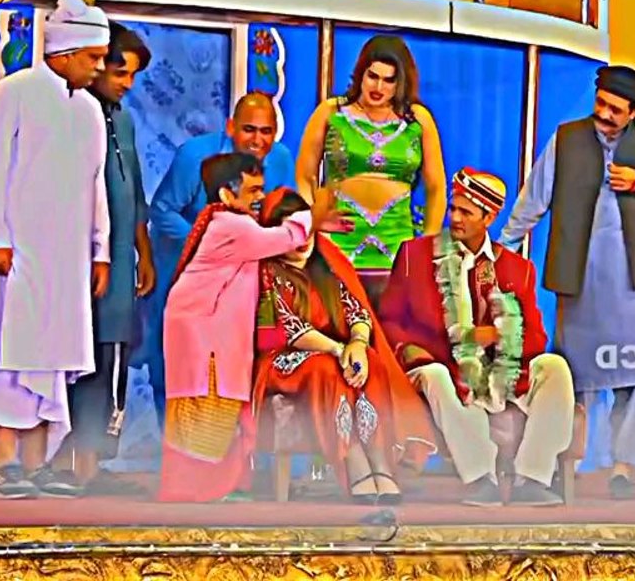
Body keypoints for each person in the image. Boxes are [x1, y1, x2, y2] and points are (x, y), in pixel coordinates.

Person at [499, 65, 635, 500]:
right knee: (577, 375)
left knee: (634, 377)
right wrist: (502, 249)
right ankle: (571, 463)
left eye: (615, 110)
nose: (604, 114)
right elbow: (534, 200)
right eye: (601, 104)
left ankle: (623, 466)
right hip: (583, 278)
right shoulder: (567, 139)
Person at [0, 0, 111, 499]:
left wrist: (100, 251)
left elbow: (96, 185)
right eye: (93, 57)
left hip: (67, 260)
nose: (100, 67)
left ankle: (37, 464)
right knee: (11, 356)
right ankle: (7, 464)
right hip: (17, 255)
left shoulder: (90, 110)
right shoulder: (13, 93)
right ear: (65, 53)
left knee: (52, 360)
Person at [379, 168, 575, 507]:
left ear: (489, 217)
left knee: (555, 367)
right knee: (438, 375)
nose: (454, 218)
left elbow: (535, 337)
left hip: (500, 370)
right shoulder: (415, 256)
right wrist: (410, 349)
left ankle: (532, 479)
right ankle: (480, 479)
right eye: (453, 208)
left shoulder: (516, 269)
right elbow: (389, 320)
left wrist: (498, 336)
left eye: (466, 212)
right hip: (438, 363)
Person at [157, 153, 340, 502]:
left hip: (208, 331)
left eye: (261, 189)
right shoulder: (231, 225)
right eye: (253, 190)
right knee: (205, 409)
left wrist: (315, 223)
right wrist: (313, 215)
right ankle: (194, 491)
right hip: (203, 334)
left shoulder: (228, 222)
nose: (260, 197)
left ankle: (209, 488)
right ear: (226, 195)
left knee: (215, 409)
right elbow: (282, 238)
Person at [252, 189, 438, 504]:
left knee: (371, 361)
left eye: (306, 229)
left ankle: (379, 463)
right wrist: (340, 351)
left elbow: (357, 312)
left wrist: (358, 343)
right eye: (292, 231)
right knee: (328, 368)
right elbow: (289, 329)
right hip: (282, 362)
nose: (302, 241)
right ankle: (353, 461)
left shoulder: (325, 268)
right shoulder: (268, 273)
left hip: (332, 352)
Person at [141, 92, 295, 427]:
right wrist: (206, 243)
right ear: (230, 127)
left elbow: (279, 215)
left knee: (231, 370)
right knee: (173, 367)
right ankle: (172, 448)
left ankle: (230, 453)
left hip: (238, 282)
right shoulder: (194, 156)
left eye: (266, 131)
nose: (257, 140)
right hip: (181, 273)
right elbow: (162, 210)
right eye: (249, 129)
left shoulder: (281, 159)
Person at [53, 21, 155, 496]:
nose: (127, 83)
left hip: (117, 267)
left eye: (132, 75)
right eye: (120, 72)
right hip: (76, 262)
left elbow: (133, 191)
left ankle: (92, 466)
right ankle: (63, 464)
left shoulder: (125, 120)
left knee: (111, 356)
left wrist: (143, 253)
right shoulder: (73, 112)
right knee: (74, 357)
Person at [295, 34, 447, 306]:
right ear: (360, 74)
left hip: (397, 247)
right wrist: (314, 221)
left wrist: (426, 247)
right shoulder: (331, 112)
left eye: (389, 80)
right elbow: (305, 175)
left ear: (401, 82)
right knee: (338, 324)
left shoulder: (418, 119)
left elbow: (436, 188)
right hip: (338, 243)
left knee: (392, 327)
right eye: (372, 76)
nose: (378, 87)